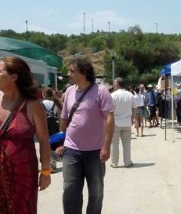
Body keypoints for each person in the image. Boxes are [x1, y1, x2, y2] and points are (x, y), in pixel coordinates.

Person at [56, 58, 114, 214]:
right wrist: (61, 142)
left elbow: (109, 118)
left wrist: (106, 146)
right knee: (70, 191)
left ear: (84, 72)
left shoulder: (101, 91)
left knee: (96, 193)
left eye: (72, 71)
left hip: (95, 152)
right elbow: (64, 118)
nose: (69, 74)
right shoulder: (69, 91)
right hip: (71, 150)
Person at [0, 56, 51, 213]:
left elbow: (43, 140)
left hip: (23, 174)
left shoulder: (33, 106)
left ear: (13, 77)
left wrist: (45, 171)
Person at [110, 77, 134, 168]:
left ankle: (114, 163)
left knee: (114, 144)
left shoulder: (113, 95)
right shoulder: (130, 95)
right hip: (127, 121)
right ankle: (127, 162)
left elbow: (110, 110)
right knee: (127, 143)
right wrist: (133, 119)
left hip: (116, 122)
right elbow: (134, 108)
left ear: (117, 84)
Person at [42, 88, 63, 172]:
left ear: (44, 94)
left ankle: (47, 165)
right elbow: (59, 116)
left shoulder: (41, 103)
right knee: (53, 145)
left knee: (45, 146)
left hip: (44, 126)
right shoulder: (56, 103)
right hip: (54, 126)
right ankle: (52, 165)